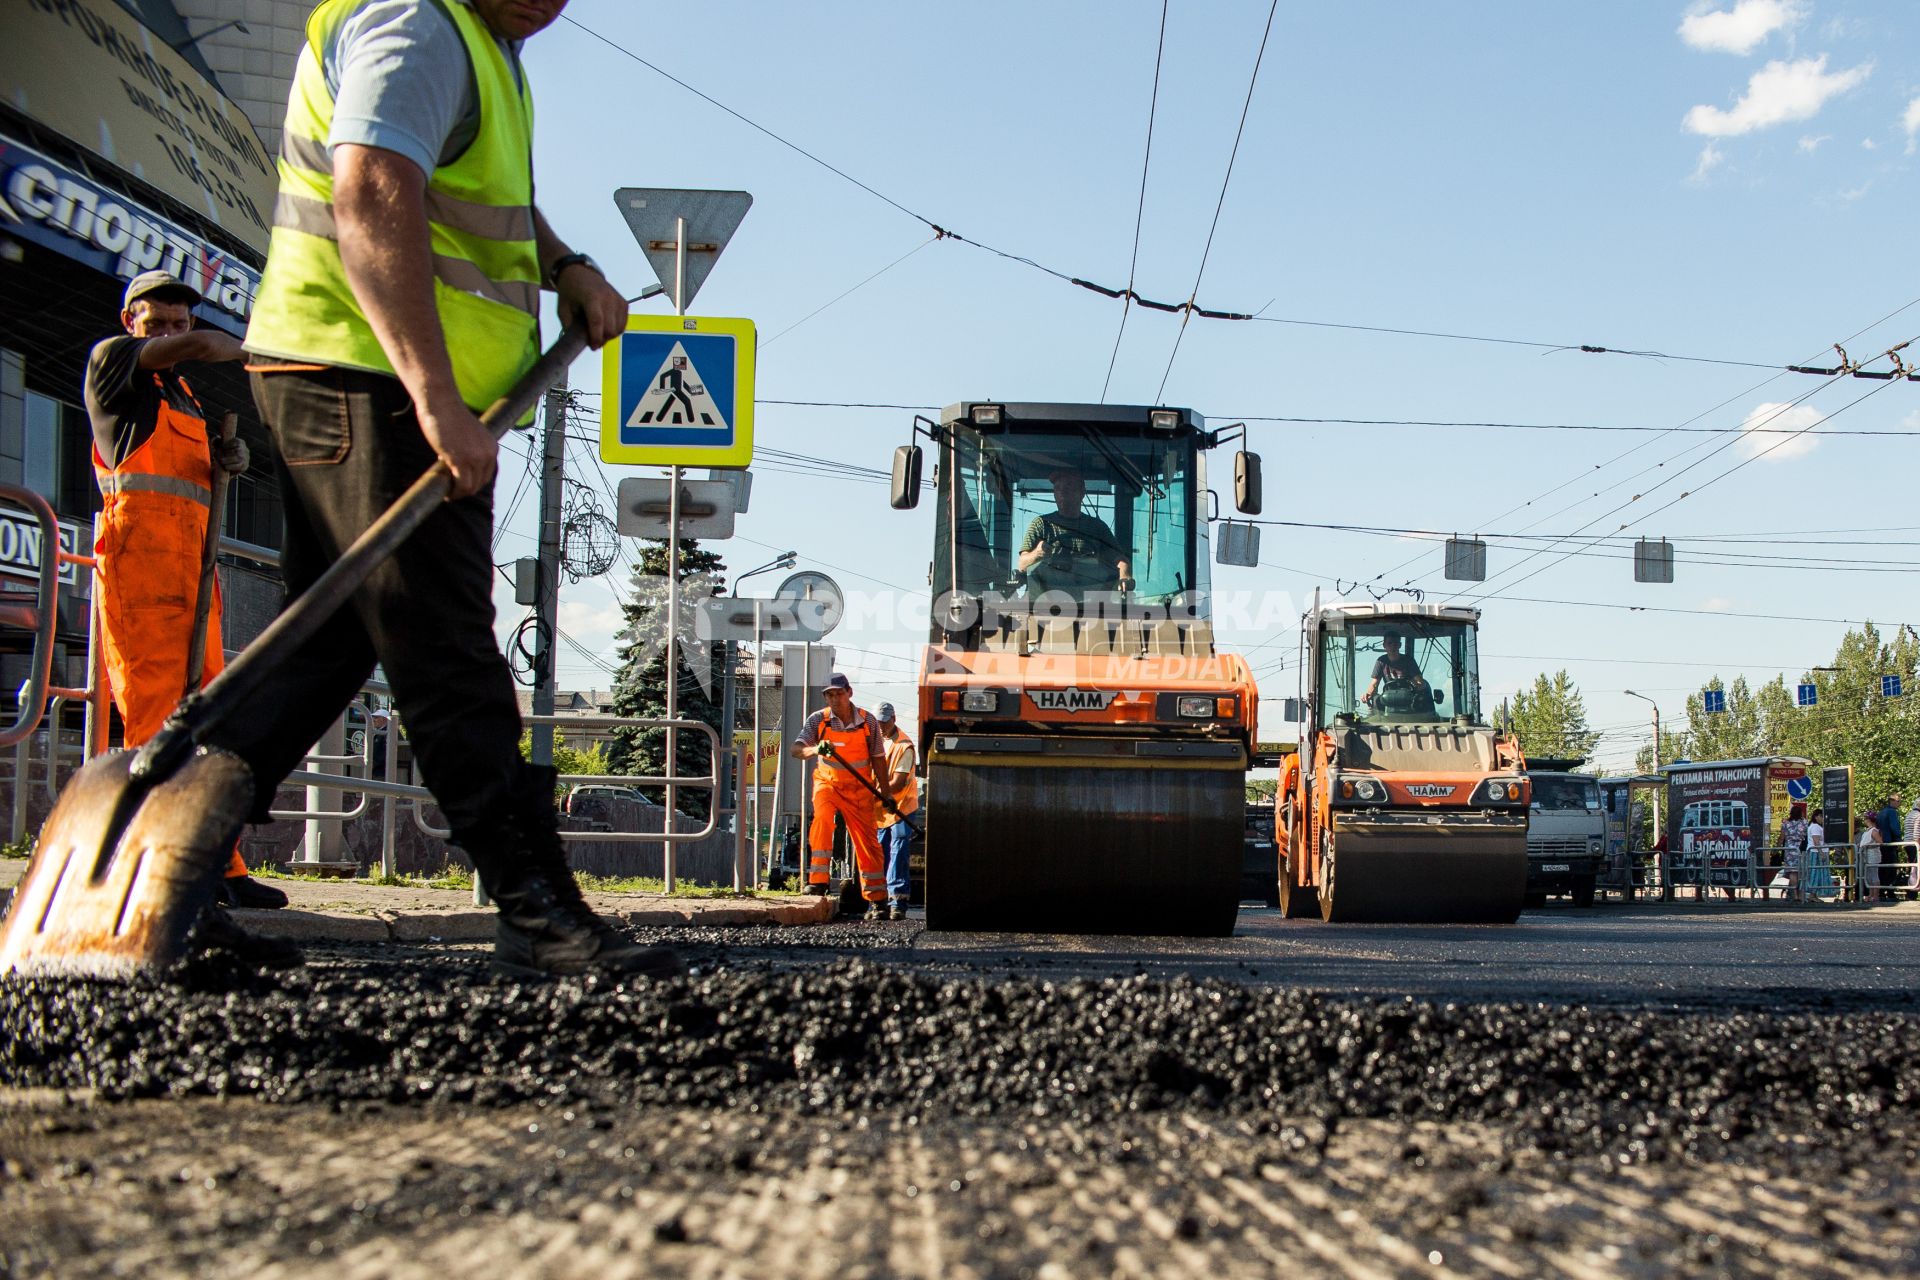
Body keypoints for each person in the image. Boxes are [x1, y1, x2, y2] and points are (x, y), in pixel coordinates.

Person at [202, 0, 674, 978]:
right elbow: (372, 185)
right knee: (446, 638)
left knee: (326, 642)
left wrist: (566, 264)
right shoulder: (418, 23)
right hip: (364, 379)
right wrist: (436, 399)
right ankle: (534, 905)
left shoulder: (483, 52)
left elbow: (466, 203)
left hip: (361, 378)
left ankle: (168, 854)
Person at [84, 269, 287, 912]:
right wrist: (257, 346)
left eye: (180, 322)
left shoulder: (187, 401)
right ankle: (156, 866)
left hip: (196, 579)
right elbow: (199, 349)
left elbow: (195, 480)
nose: (171, 332)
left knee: (209, 725)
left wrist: (230, 459)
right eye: (158, 321)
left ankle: (219, 866)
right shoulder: (114, 367)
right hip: (140, 573)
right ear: (131, 323)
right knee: (154, 726)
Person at [790, 674, 888, 918]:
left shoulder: (868, 723)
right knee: (822, 821)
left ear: (849, 693)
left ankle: (877, 900)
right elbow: (796, 749)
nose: (834, 699)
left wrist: (886, 794)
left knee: (868, 843)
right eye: (829, 695)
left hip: (860, 790)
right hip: (828, 784)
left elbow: (878, 759)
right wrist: (815, 748)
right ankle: (818, 881)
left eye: (839, 693)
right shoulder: (818, 721)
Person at [1016, 468, 1131, 598]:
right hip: (1043, 610)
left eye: (1068, 487)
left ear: (1082, 493)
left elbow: (1121, 561)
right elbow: (1022, 564)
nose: (1061, 493)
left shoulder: (1097, 528)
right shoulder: (1041, 524)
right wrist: (1037, 554)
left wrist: (1125, 577)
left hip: (1092, 610)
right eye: (1057, 488)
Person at [875, 702, 919, 921]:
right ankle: (879, 901)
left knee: (898, 849)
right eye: (879, 722)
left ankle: (898, 902)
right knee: (878, 852)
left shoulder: (904, 745)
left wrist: (876, 792)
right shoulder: (876, 743)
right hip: (882, 808)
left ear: (893, 719)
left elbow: (899, 782)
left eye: (885, 721)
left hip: (901, 806)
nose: (882, 726)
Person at [1360, 634, 1427, 707]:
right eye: (1389, 643)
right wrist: (1368, 694)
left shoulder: (1409, 661)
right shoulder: (1381, 661)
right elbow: (1374, 683)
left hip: (1409, 702)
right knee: (1376, 701)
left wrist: (1417, 686)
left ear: (1400, 645)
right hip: (1388, 700)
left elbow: (1419, 681)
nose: (1393, 646)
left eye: (1396, 643)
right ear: (1384, 645)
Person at [1874, 794, 1905, 900]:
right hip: (1890, 844)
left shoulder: (1881, 813)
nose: (1900, 804)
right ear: (1893, 801)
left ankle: (1882, 892)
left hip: (1881, 844)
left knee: (1882, 868)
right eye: (1899, 801)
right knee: (1891, 868)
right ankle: (1891, 892)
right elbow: (1895, 827)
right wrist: (1899, 840)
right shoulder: (1892, 812)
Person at [1805, 807, 1835, 900]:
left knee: (1817, 873)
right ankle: (1812, 894)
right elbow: (1816, 841)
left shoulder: (1816, 826)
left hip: (1818, 852)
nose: (1823, 819)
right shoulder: (1815, 827)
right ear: (1816, 817)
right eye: (1821, 816)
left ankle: (1814, 895)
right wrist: (1821, 853)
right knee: (1816, 873)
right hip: (1816, 853)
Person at [1780, 803, 1807, 901]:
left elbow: (1782, 837)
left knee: (1792, 872)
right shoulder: (1804, 822)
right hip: (1800, 848)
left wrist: (1777, 847)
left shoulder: (1786, 823)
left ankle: (1794, 894)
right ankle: (1800, 894)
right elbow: (1807, 834)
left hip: (1789, 850)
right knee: (1800, 872)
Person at [1856, 817, 1883, 903]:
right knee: (1868, 877)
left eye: (1866, 819)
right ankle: (1871, 894)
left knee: (1874, 875)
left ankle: (1875, 895)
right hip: (1865, 856)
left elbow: (1880, 842)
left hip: (1873, 856)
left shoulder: (1874, 831)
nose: (1864, 821)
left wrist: (1869, 846)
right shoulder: (1867, 831)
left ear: (1869, 820)